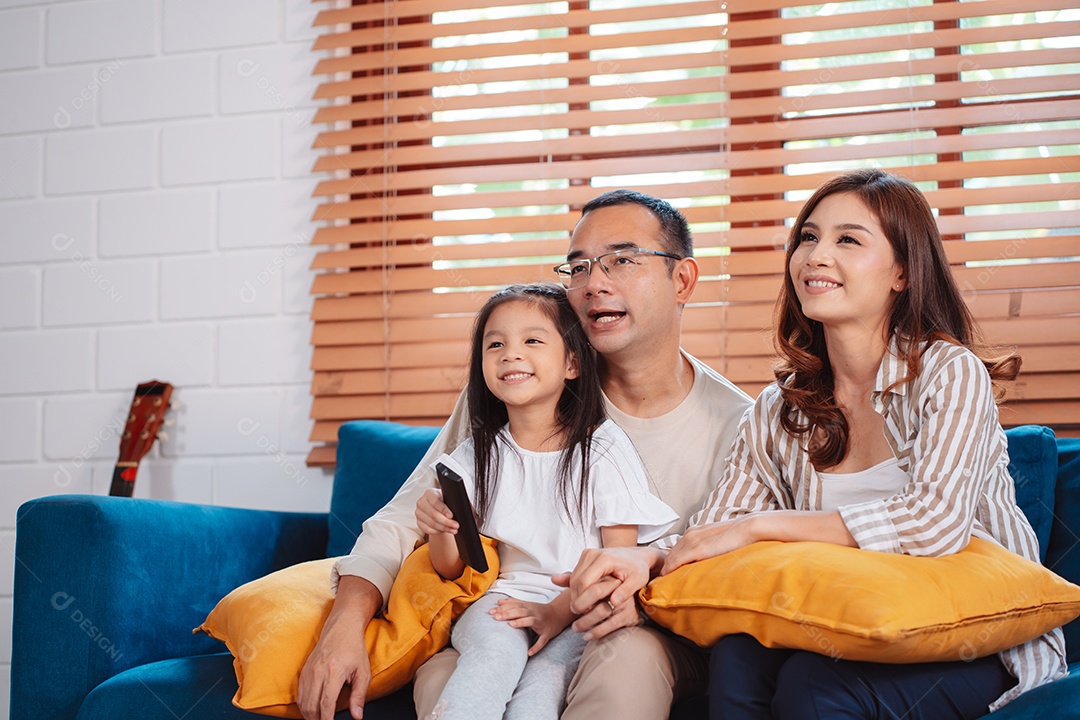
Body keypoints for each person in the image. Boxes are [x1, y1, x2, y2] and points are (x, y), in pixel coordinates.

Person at [568, 169, 1068, 719]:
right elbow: (719, 527)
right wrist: (649, 559)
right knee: (736, 654)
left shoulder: (949, 374)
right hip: (841, 627)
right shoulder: (779, 408)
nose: (815, 255)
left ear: (902, 271)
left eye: (847, 239)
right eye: (808, 237)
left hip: (966, 633)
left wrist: (760, 528)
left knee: (813, 688)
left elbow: (935, 522)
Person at [297, 189, 753, 720]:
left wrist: (618, 600)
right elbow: (403, 522)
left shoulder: (740, 423)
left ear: (682, 280)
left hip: (638, 631)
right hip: (503, 618)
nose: (594, 283)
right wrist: (343, 628)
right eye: (578, 267)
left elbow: (730, 564)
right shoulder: (518, 390)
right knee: (449, 671)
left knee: (624, 653)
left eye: (622, 260)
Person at [417, 283, 677, 719]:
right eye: (495, 344)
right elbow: (452, 569)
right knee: (493, 660)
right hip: (499, 606)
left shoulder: (603, 450)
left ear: (572, 363)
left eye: (532, 341)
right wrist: (440, 526)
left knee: (542, 690)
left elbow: (617, 560)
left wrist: (558, 612)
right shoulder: (472, 456)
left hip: (577, 608)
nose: (510, 354)